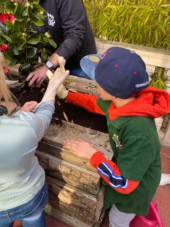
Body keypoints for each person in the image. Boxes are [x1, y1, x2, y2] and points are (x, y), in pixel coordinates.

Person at [54, 47, 170, 227]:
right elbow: (95, 104)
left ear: (113, 91)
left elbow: (125, 184)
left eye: (97, 81)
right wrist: (67, 95)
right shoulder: (121, 101)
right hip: (133, 166)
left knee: (117, 219)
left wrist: (93, 155)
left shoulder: (139, 132)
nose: (95, 83)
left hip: (134, 193)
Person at [0, 60, 69, 227]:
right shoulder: (25, 126)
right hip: (29, 197)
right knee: (34, 219)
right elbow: (44, 114)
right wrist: (53, 85)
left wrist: (17, 115)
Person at [26, 0, 97, 87]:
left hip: (81, 67)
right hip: (56, 68)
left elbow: (74, 36)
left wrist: (47, 66)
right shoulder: (30, 4)